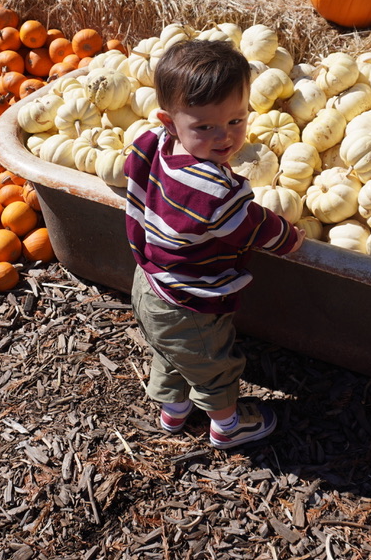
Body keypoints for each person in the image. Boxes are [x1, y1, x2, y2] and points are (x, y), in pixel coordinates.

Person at [124, 39, 306, 450]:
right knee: (213, 365)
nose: (225, 137)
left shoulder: (153, 144)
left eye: (236, 121)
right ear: (170, 123)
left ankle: (173, 413)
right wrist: (291, 239)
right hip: (189, 304)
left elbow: (130, 169)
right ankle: (227, 425)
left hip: (149, 282)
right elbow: (254, 225)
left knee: (171, 354)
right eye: (205, 127)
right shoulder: (215, 192)